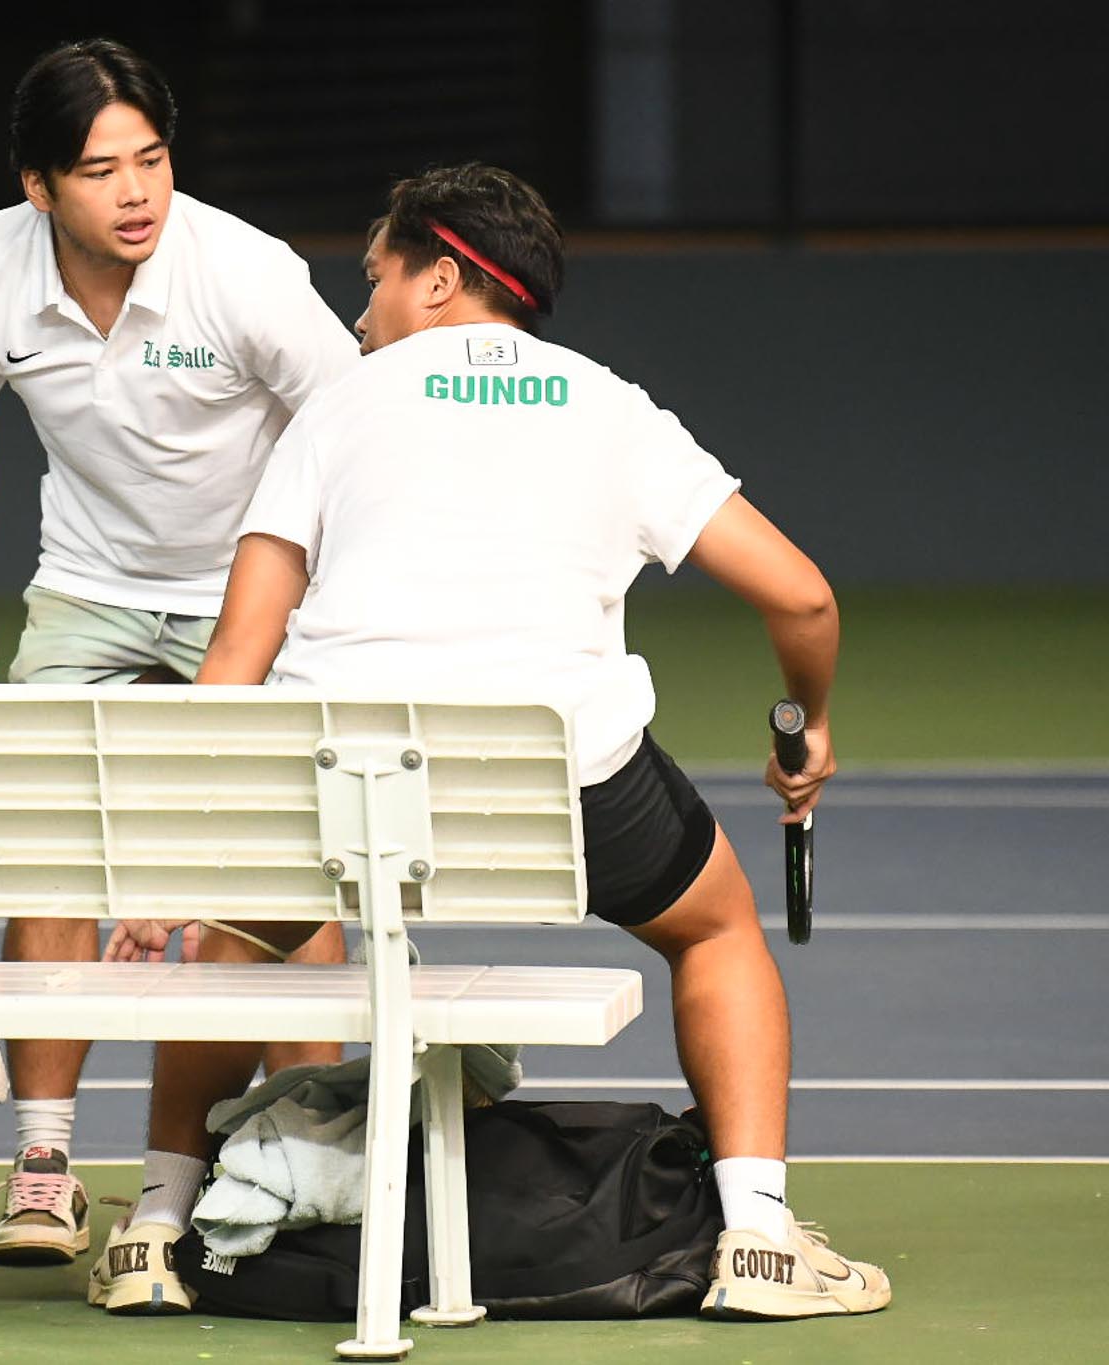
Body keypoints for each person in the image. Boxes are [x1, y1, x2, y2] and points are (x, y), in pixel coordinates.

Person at [97, 163, 891, 1321]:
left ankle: (155, 1231)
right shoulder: (610, 405)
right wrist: (807, 723)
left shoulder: (334, 409)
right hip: (561, 786)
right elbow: (802, 599)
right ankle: (758, 1239)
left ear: (438, 277)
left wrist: (187, 856)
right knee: (716, 931)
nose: (357, 311)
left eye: (371, 280)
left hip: (345, 789)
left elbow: (236, 659)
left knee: (238, 938)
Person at [0, 36, 361, 1277]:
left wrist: (305, 609)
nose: (134, 193)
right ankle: (45, 1162)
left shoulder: (247, 276)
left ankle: (307, 1149)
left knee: (284, 867)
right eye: (101, 169)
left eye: (152, 161)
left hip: (255, 592)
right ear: (36, 186)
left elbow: (355, 430)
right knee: (51, 842)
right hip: (88, 589)